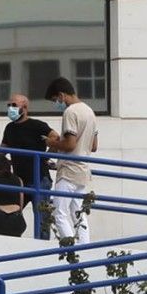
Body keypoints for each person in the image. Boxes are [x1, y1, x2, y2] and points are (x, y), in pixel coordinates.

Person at [44, 74, 100, 246]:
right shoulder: (89, 111)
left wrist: (50, 142)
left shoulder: (70, 112)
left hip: (68, 170)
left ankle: (70, 248)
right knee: (78, 212)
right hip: (83, 170)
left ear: (62, 95)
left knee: (59, 213)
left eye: (56, 100)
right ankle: (85, 246)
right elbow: (94, 146)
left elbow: (69, 144)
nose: (57, 104)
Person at [0, 91, 56, 240]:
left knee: (42, 218)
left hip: (39, 178)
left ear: (25, 107)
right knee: (9, 213)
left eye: (14, 105)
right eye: (8, 105)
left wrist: (45, 156)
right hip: (19, 180)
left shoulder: (37, 125)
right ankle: (10, 241)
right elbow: (0, 152)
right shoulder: (10, 128)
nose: (10, 108)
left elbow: (56, 137)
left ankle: (43, 248)